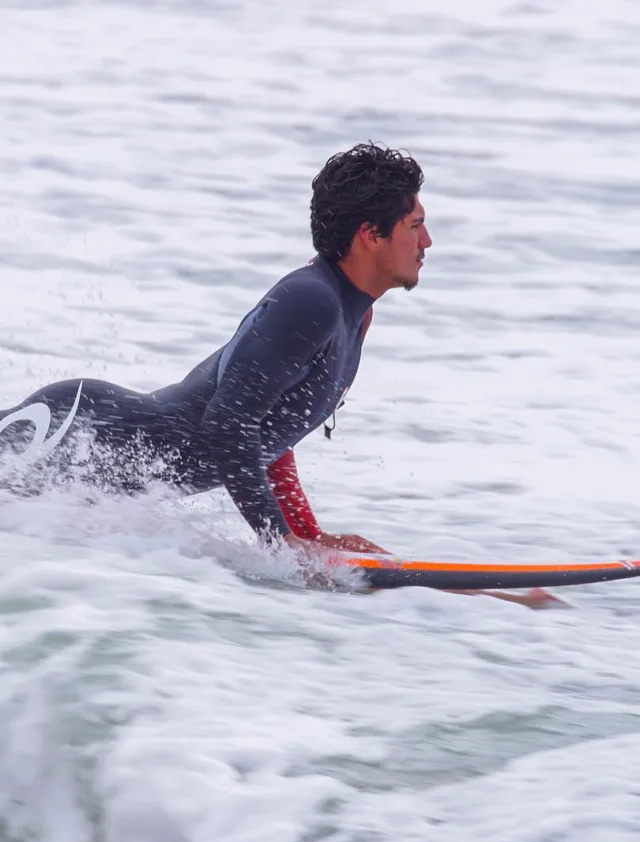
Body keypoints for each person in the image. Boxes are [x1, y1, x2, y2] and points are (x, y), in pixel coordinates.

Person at [0, 141, 565, 610]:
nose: (428, 241)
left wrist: (308, 536)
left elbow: (273, 432)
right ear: (372, 233)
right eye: (416, 224)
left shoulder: (353, 313)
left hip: (97, 472)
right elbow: (228, 426)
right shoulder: (310, 301)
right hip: (74, 433)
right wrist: (286, 543)